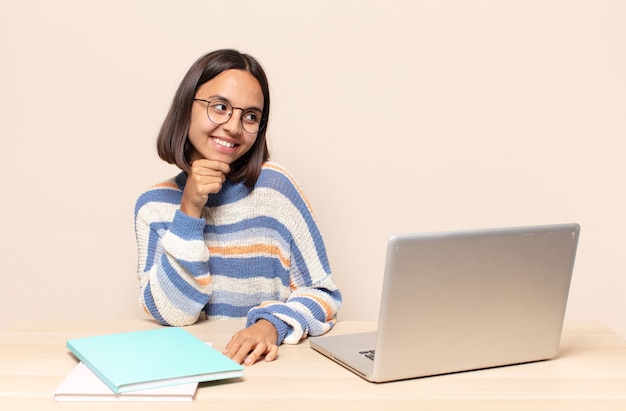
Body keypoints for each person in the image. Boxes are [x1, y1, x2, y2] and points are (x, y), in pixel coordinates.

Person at [134, 49, 342, 366]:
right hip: (193, 369)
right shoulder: (154, 206)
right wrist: (189, 209)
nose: (234, 127)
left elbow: (324, 294)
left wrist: (270, 325)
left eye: (250, 117)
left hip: (271, 369)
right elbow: (174, 315)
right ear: (186, 107)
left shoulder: (276, 189)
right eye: (220, 107)